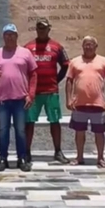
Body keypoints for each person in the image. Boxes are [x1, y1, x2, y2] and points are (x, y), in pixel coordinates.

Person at [0, 24, 37, 172]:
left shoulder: (25, 53)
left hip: (20, 99)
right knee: (3, 130)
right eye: (7, 34)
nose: (9, 37)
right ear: (3, 36)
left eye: (12, 34)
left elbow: (33, 74)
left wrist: (31, 94)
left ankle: (22, 158)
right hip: (2, 99)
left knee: (20, 130)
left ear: (16, 36)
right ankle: (3, 158)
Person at [24, 18, 71, 164]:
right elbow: (22, 66)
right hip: (33, 93)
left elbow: (65, 65)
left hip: (51, 91)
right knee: (29, 122)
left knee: (55, 121)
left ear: (49, 29)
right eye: (39, 28)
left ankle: (58, 151)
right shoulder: (28, 47)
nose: (41, 30)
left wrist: (56, 80)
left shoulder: (57, 47)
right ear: (36, 29)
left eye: (44, 28)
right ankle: (26, 153)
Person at [65, 36, 105, 168]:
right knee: (79, 132)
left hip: (98, 103)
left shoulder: (104, 61)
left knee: (99, 132)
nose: (88, 47)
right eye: (85, 44)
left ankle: (101, 158)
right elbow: (69, 81)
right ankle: (79, 157)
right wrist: (69, 99)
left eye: (91, 44)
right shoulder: (75, 62)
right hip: (79, 103)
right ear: (82, 46)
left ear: (95, 46)